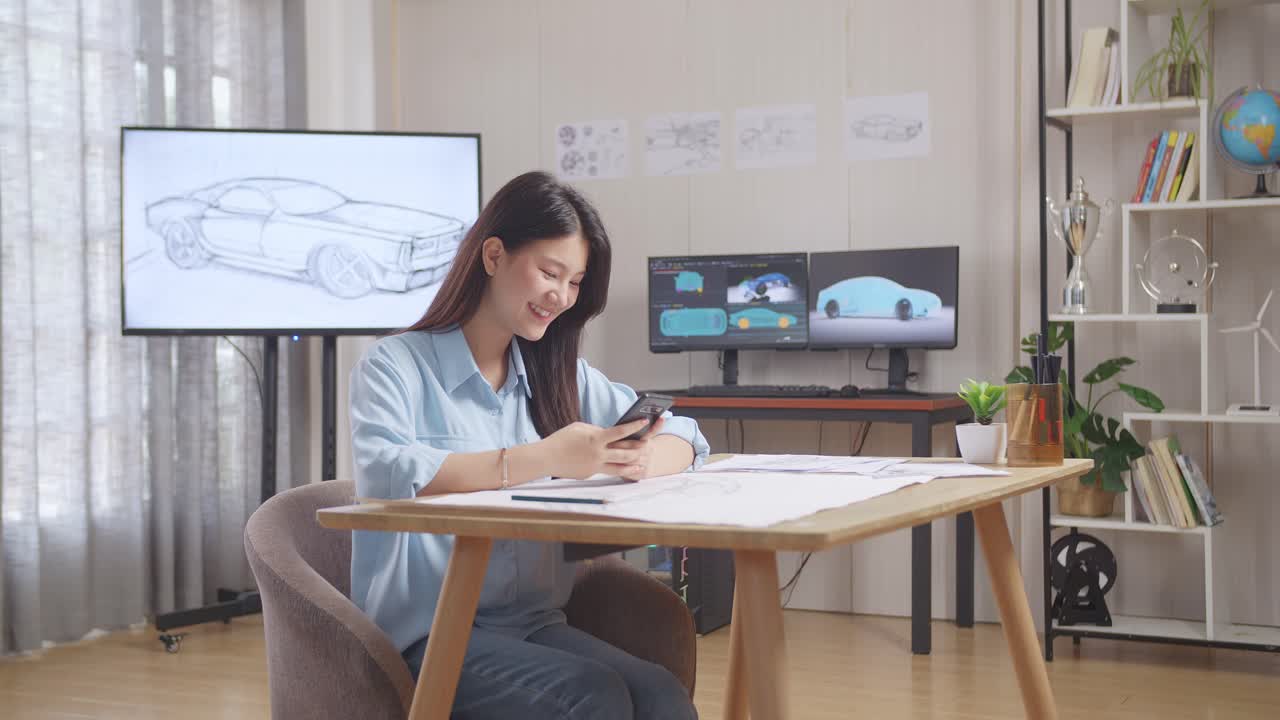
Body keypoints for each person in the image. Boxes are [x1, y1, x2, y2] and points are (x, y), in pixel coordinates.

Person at [349, 170, 709, 719]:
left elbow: (688, 435)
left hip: (533, 626)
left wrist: (640, 457)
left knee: (661, 693)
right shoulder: (395, 365)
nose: (561, 296)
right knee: (595, 695)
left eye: (575, 281)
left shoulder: (560, 375)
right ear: (493, 255)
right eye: (549, 272)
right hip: (427, 635)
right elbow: (386, 471)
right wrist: (547, 458)